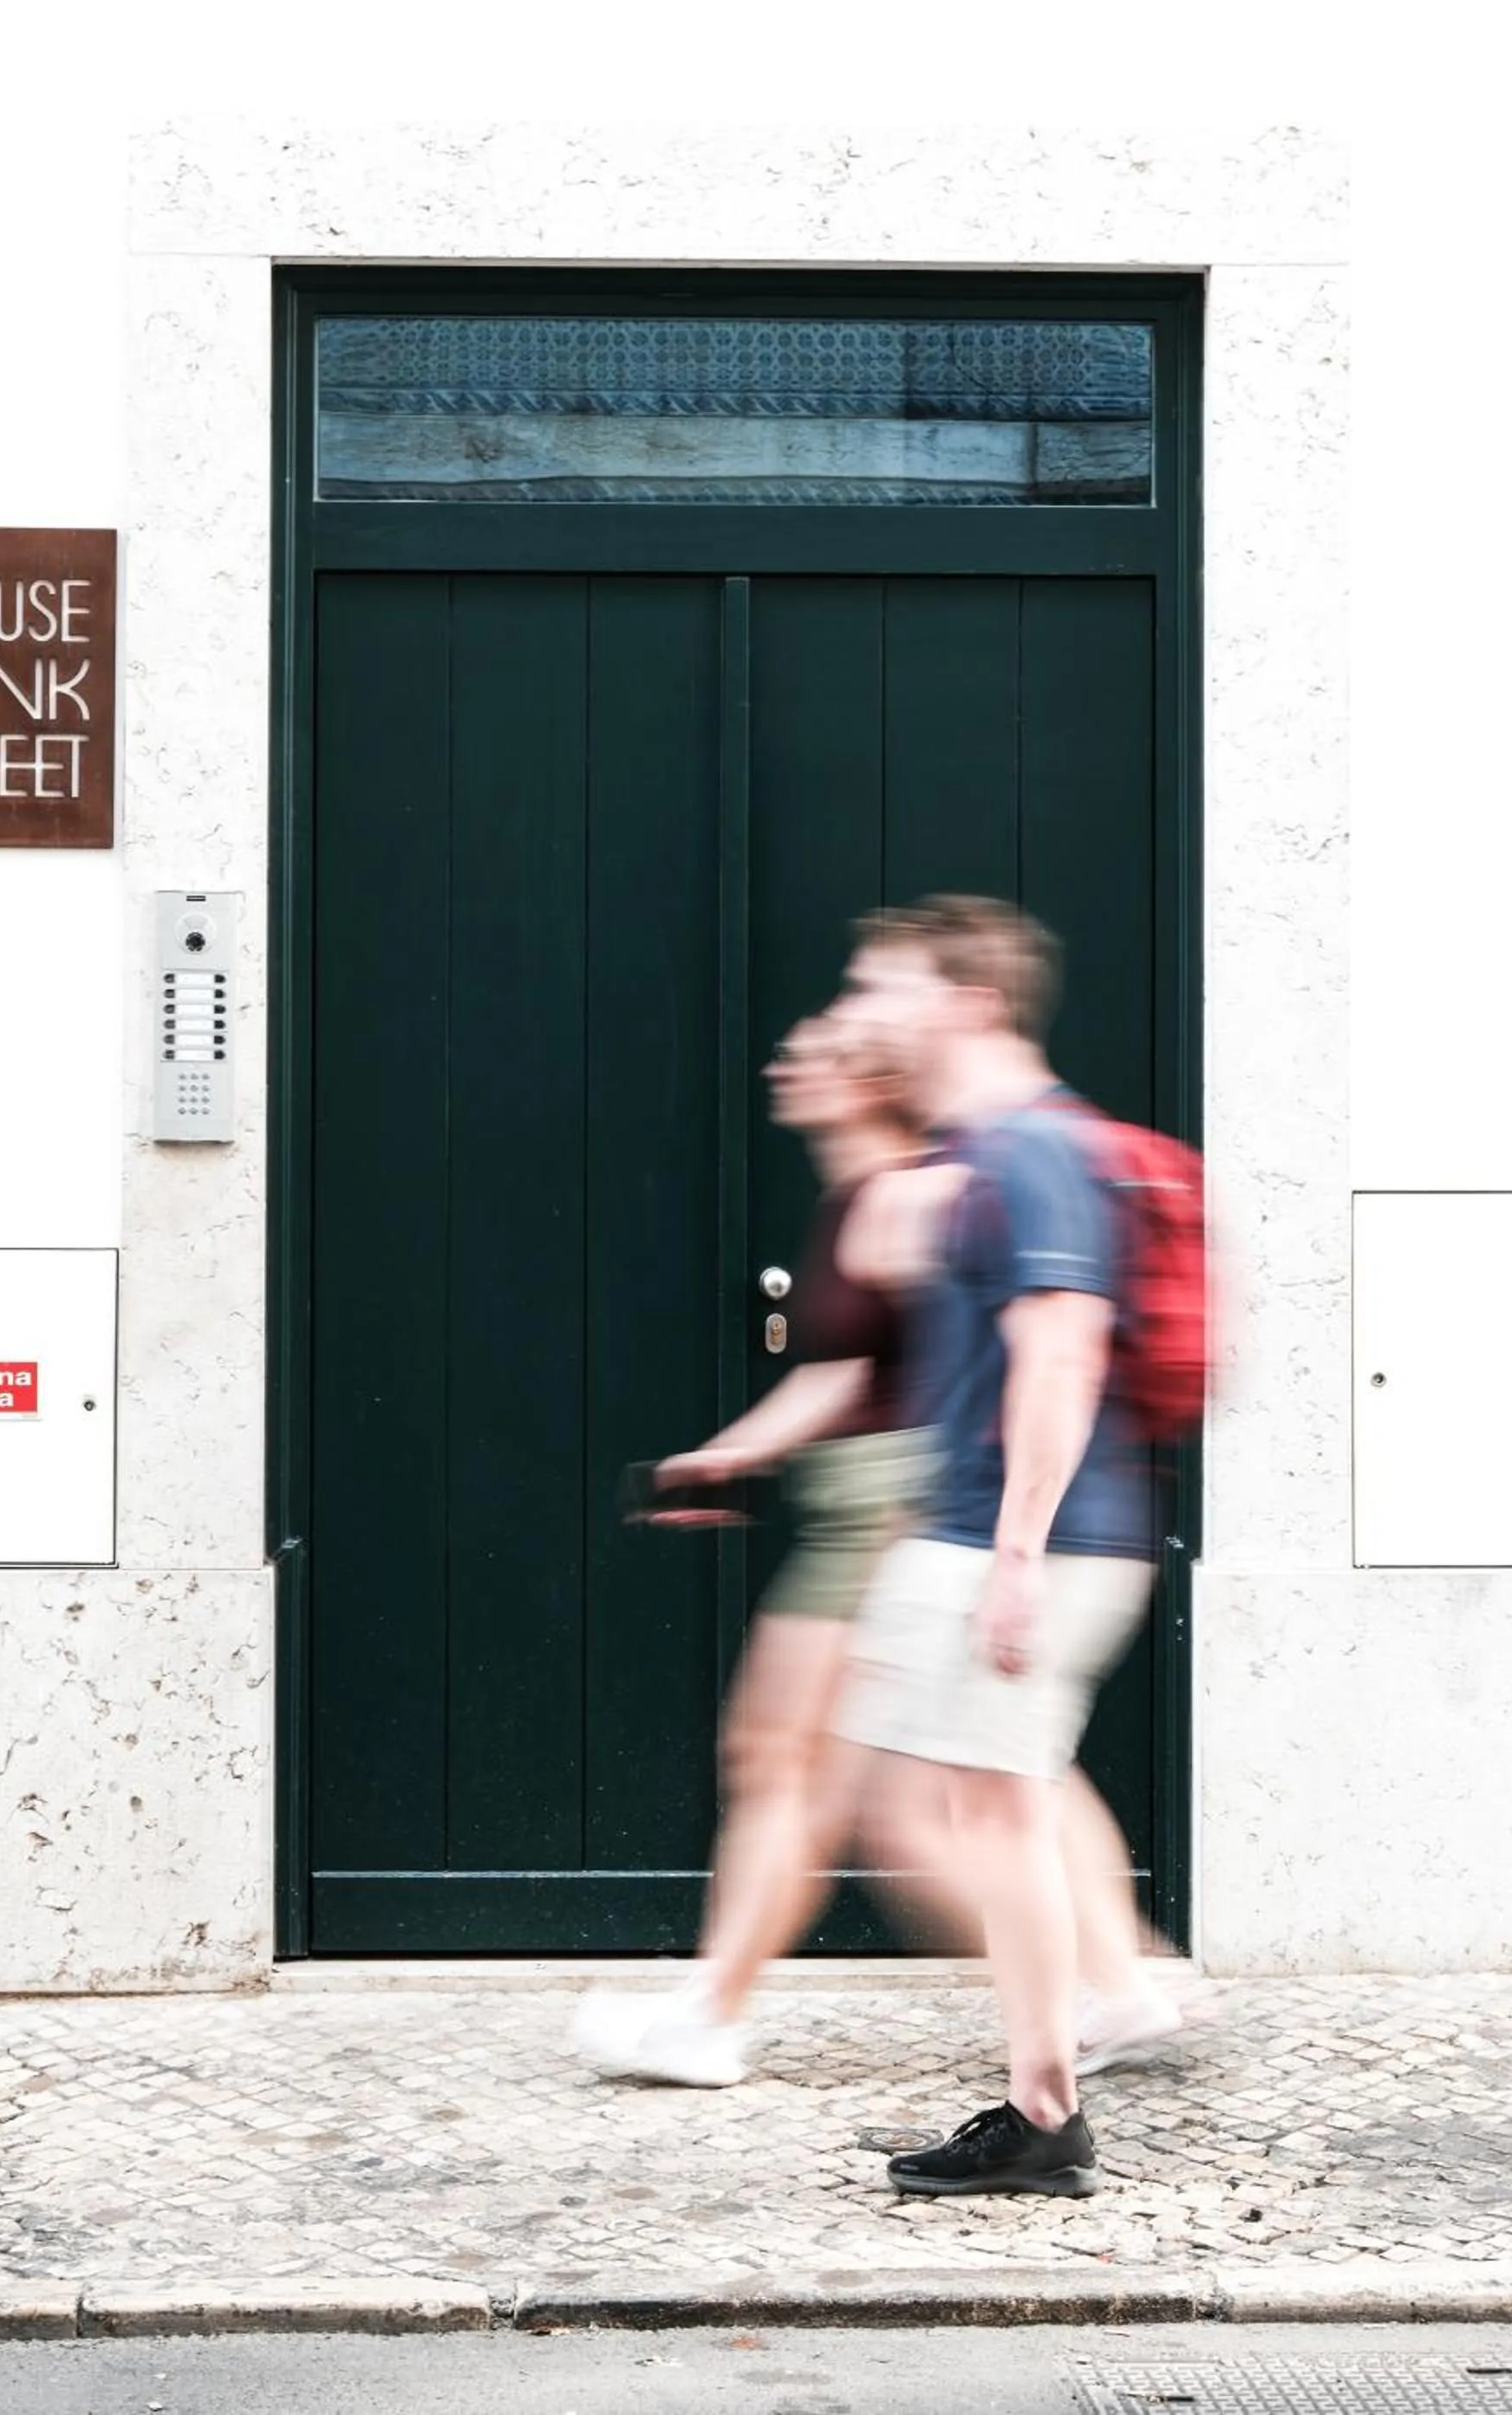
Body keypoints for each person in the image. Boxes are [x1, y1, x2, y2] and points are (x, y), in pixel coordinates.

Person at [836, 895, 1175, 2199]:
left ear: (971, 1004)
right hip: (990, 1532)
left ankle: (1047, 2109)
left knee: (985, 1811)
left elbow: (1060, 1352)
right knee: (985, 1807)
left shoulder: (1031, 1149)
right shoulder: (984, 1151)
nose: (865, 1009)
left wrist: (1017, 1554)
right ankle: (1046, 2094)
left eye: (888, 987)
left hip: (1027, 1539)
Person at [572, 1015, 936, 2089]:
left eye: (808, 1053)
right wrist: (724, 1457)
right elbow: (840, 1373)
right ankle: (1116, 1981)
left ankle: (712, 2012)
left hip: (885, 1510)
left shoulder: (910, 1198)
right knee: (831, 1772)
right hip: (857, 1503)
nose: (780, 1064)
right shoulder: (853, 1196)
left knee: (800, 1767)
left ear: (869, 1078)